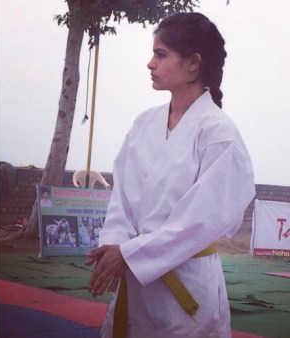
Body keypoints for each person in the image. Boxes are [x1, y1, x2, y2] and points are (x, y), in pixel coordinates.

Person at [85, 13, 255, 338]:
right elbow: (120, 199)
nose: (151, 63)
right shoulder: (143, 125)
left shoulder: (220, 134)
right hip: (135, 276)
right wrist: (115, 244)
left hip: (186, 282)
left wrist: (131, 254)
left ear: (193, 64)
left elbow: (201, 221)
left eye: (161, 54)